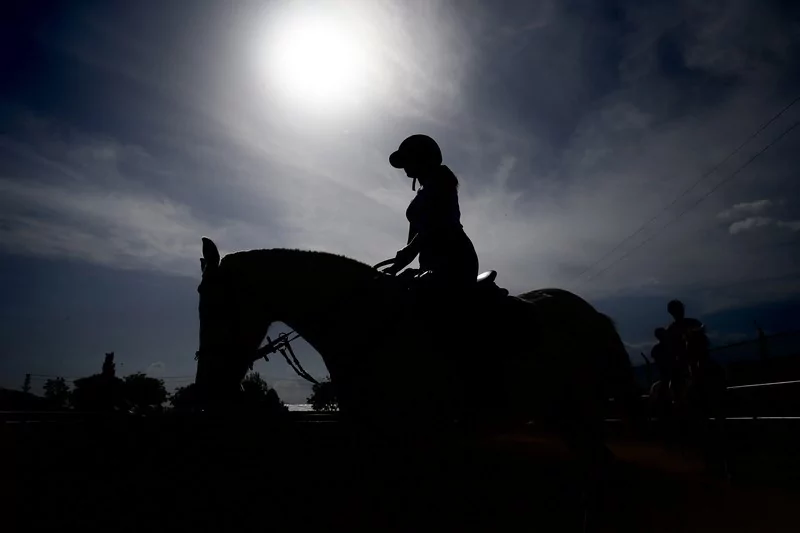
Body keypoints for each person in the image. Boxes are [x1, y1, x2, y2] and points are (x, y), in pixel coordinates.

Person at [384, 134, 479, 288]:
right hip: (430, 261)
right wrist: (397, 265)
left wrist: (407, 252)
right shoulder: (421, 196)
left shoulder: (442, 182)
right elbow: (415, 238)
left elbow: (436, 226)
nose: (405, 165)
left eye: (408, 158)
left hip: (454, 258)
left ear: (421, 157)